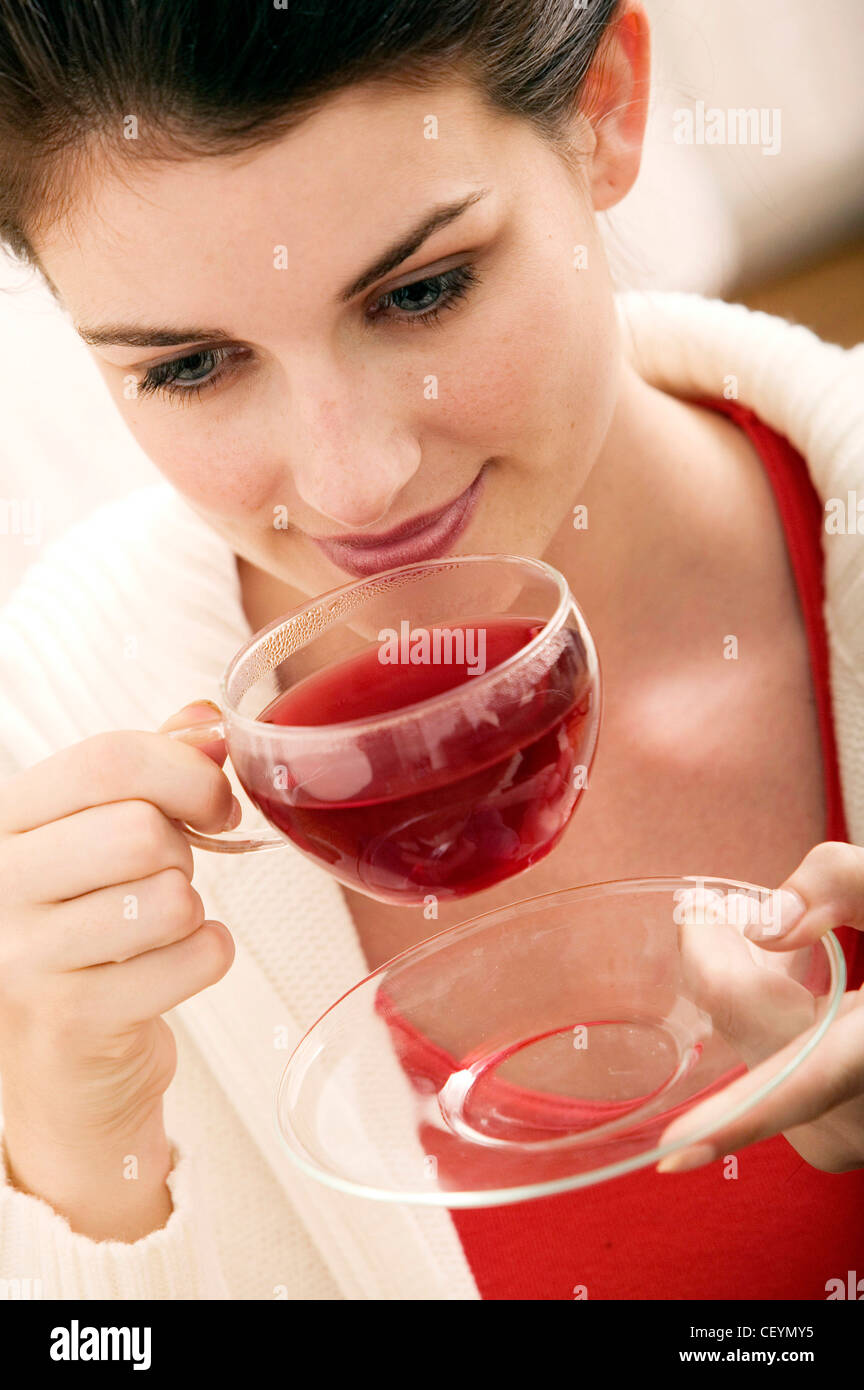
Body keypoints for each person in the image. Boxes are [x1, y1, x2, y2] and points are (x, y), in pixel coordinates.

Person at [0, 0, 862, 1301]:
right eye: (189, 367)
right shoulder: (39, 731)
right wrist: (81, 1173)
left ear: (607, 109)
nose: (357, 486)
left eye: (422, 290)